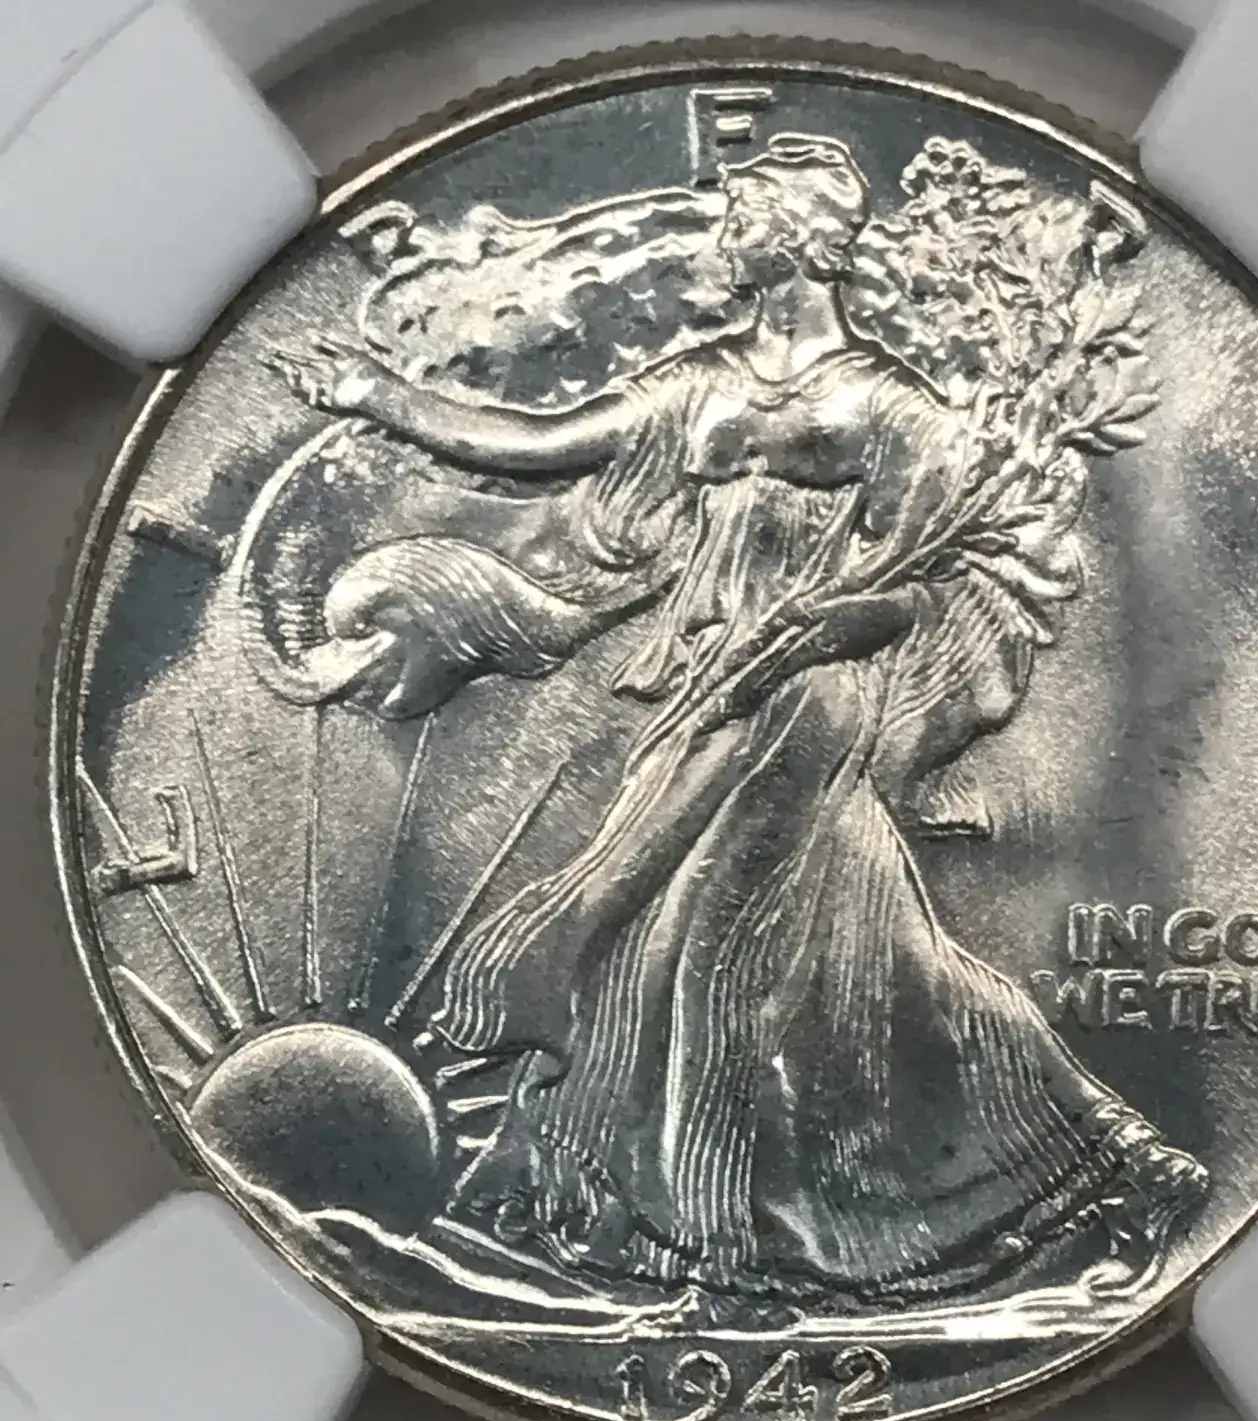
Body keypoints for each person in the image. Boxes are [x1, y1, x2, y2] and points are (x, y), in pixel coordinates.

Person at [273, 133, 1206, 1305]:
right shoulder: (699, 382)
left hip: (808, 698)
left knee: (707, 951)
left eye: (745, 217)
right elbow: (538, 447)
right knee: (843, 955)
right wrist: (378, 397)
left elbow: (936, 585)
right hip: (706, 686)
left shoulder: (892, 405)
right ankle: (1111, 1158)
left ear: (801, 237)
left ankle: (713, 1250)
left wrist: (835, 624)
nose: (726, 236)